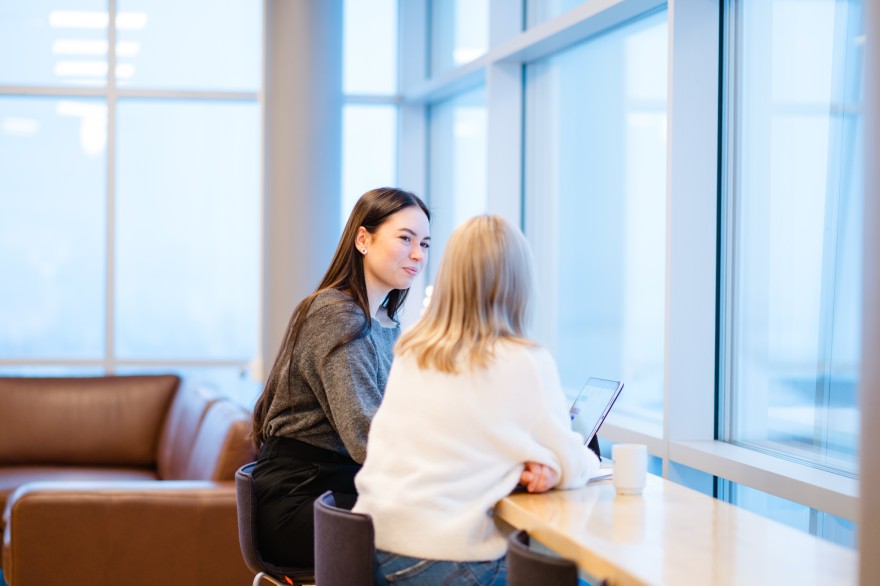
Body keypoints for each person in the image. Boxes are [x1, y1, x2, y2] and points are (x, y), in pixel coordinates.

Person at [353, 214, 601, 585]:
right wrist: (566, 461)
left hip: (373, 551)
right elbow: (573, 462)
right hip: (441, 559)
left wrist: (532, 463)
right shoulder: (522, 360)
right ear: (520, 282)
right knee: (585, 579)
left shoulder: (413, 350)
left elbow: (460, 439)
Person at [250, 187, 431, 569]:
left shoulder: (383, 323)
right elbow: (367, 436)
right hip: (304, 500)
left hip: (338, 490)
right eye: (405, 239)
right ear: (363, 239)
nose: (418, 255)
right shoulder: (337, 314)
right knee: (444, 535)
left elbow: (399, 422)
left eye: (425, 244)